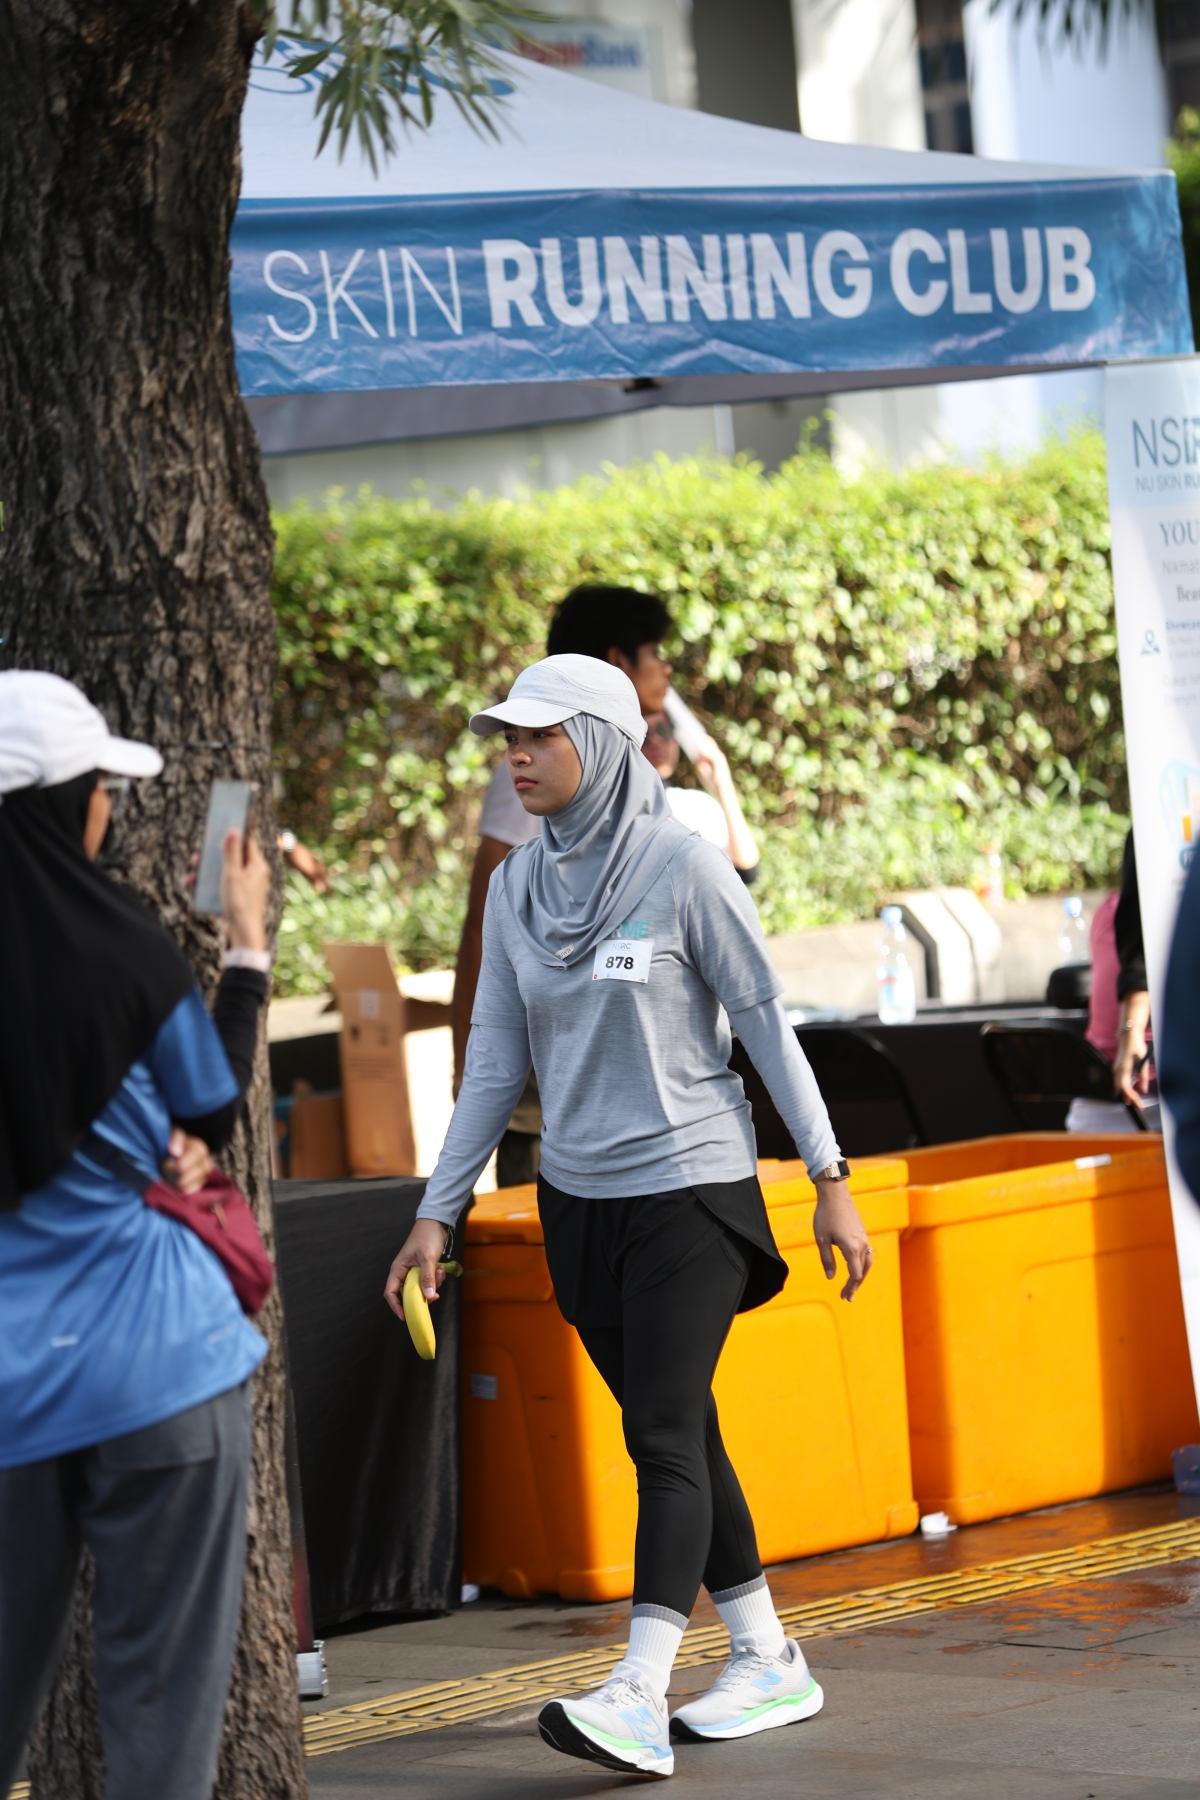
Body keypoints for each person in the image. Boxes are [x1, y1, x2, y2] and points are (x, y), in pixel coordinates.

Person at [387, 655, 870, 1778]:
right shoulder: (518, 886)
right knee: (683, 1428)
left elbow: (765, 1022)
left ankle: (638, 1692)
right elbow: (494, 1064)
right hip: (580, 1201)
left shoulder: (684, 866)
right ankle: (767, 1657)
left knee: (657, 1431)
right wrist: (436, 1215)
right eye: (508, 737)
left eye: (539, 736)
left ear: (602, 744)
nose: (516, 756)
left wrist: (830, 1177)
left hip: (692, 1190)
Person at [0, 672, 272, 1800]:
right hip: (163, 1368)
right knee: (163, 1732)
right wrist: (246, 950)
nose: (109, 809)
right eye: (100, 788)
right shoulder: (127, 951)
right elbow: (206, 1107)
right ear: (65, 805)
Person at [451, 585, 673, 1185]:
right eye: (655, 652)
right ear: (619, 661)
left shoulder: (631, 773)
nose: (666, 669)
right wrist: (467, 1063)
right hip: (544, 1088)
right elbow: (481, 926)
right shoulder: (535, 776)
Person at [641, 709, 759, 882]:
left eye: (663, 730)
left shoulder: (697, 804)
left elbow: (746, 871)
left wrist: (722, 785)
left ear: (676, 739)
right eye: (644, 734)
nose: (655, 741)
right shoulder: (618, 808)